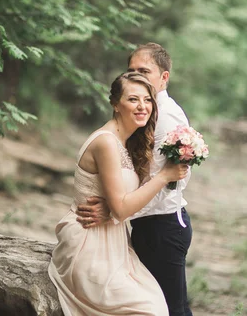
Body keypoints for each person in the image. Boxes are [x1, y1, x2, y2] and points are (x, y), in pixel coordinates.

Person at [48, 71, 188, 316]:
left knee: (158, 303)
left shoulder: (126, 141)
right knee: (149, 310)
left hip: (116, 243)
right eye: (133, 99)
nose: (142, 106)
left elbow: (118, 205)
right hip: (89, 244)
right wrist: (164, 176)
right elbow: (122, 208)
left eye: (147, 100)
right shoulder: (106, 142)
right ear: (115, 104)